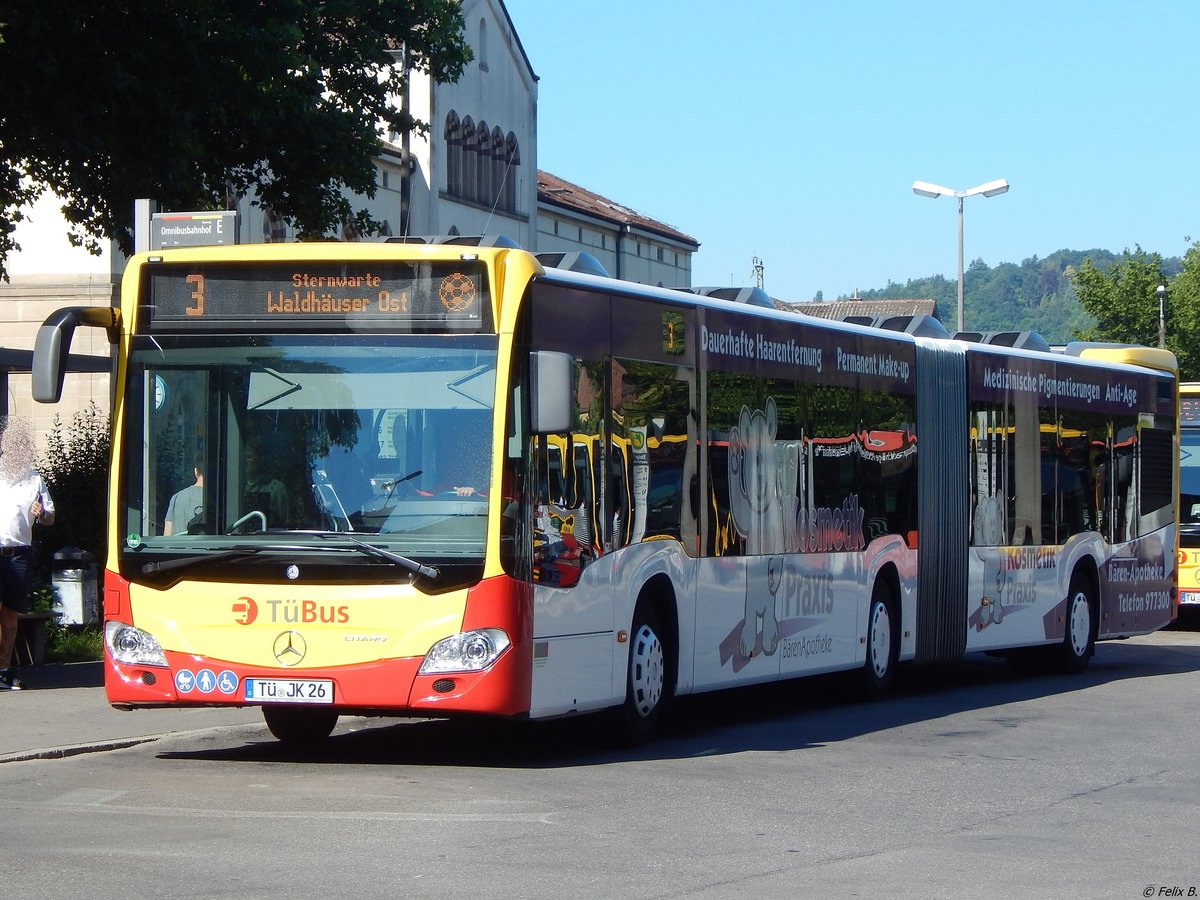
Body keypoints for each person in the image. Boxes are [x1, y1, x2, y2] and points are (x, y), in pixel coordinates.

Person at [0, 420, 56, 691]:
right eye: (11, 444)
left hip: (18, 553)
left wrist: (41, 513)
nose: (15, 450)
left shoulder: (35, 479)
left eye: (20, 445)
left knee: (11, 613)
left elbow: (50, 517)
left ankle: (4, 669)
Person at [163, 465, 204, 536]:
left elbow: (167, 535)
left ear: (196, 471)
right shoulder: (215, 499)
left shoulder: (176, 497)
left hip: (178, 545)